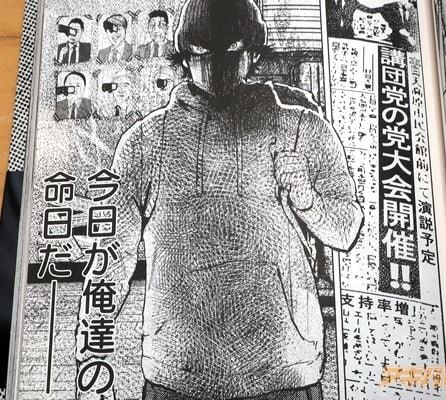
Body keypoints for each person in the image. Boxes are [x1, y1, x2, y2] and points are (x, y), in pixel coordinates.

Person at [76, 0, 362, 399]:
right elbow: (110, 258)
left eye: (230, 53)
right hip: (178, 372)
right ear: (184, 56)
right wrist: (89, 363)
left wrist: (308, 199)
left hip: (284, 371)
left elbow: (346, 230)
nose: (216, 68)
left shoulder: (302, 127)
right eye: (201, 55)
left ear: (252, 53)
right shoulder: (144, 142)